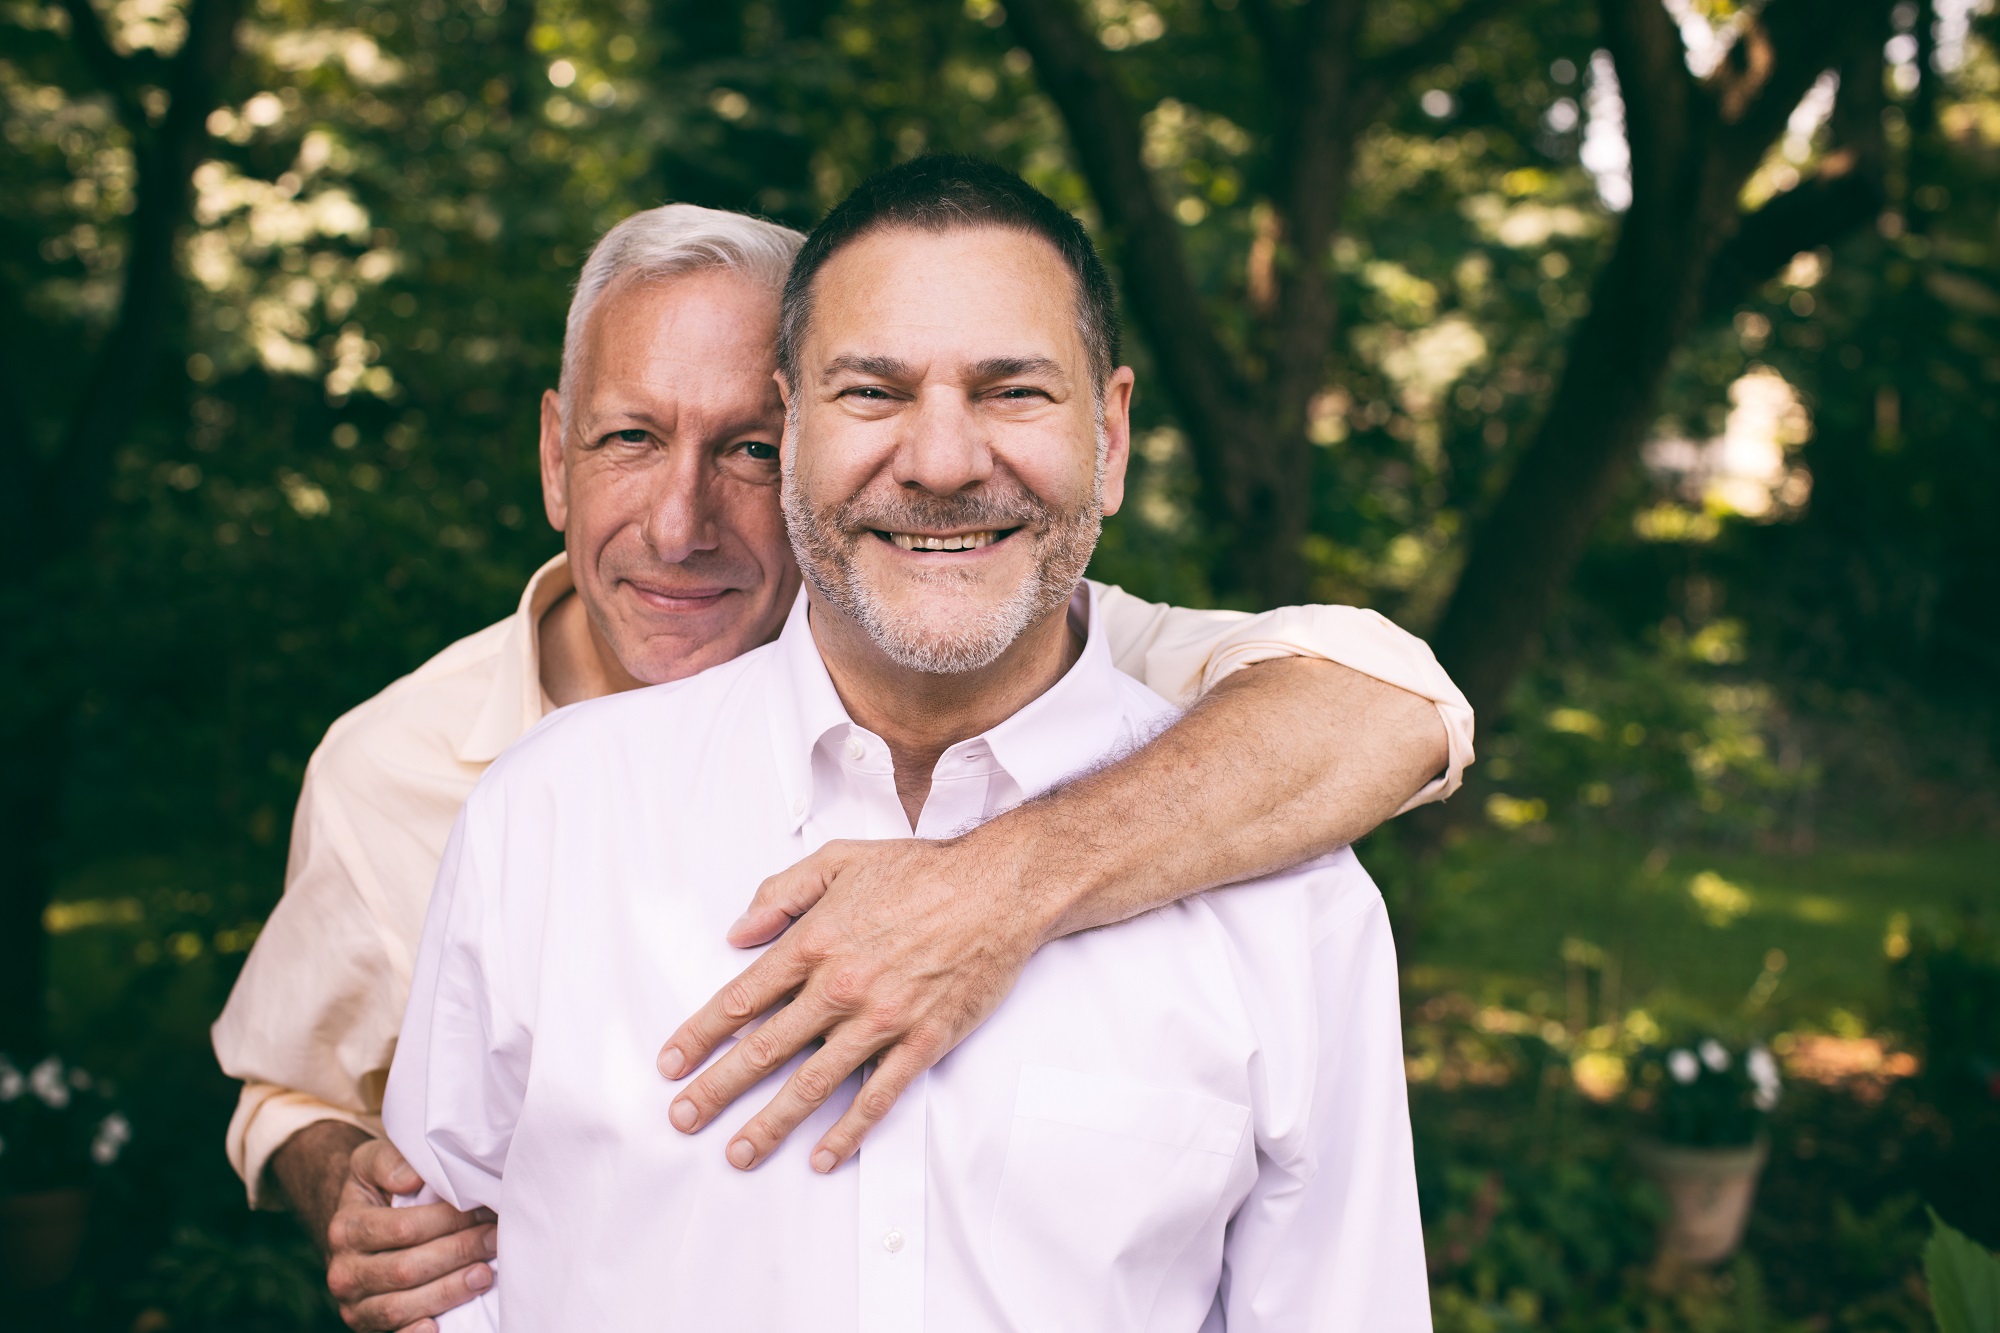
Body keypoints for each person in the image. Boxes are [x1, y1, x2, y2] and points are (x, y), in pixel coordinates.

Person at [214, 191, 1466, 1331]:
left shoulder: (1233, 811)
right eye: (872, 393)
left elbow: (1383, 699)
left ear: (1111, 434)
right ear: (555, 455)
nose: (679, 525)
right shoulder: (499, 799)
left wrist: (997, 887)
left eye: (745, 450)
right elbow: (340, 1142)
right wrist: (357, 1204)